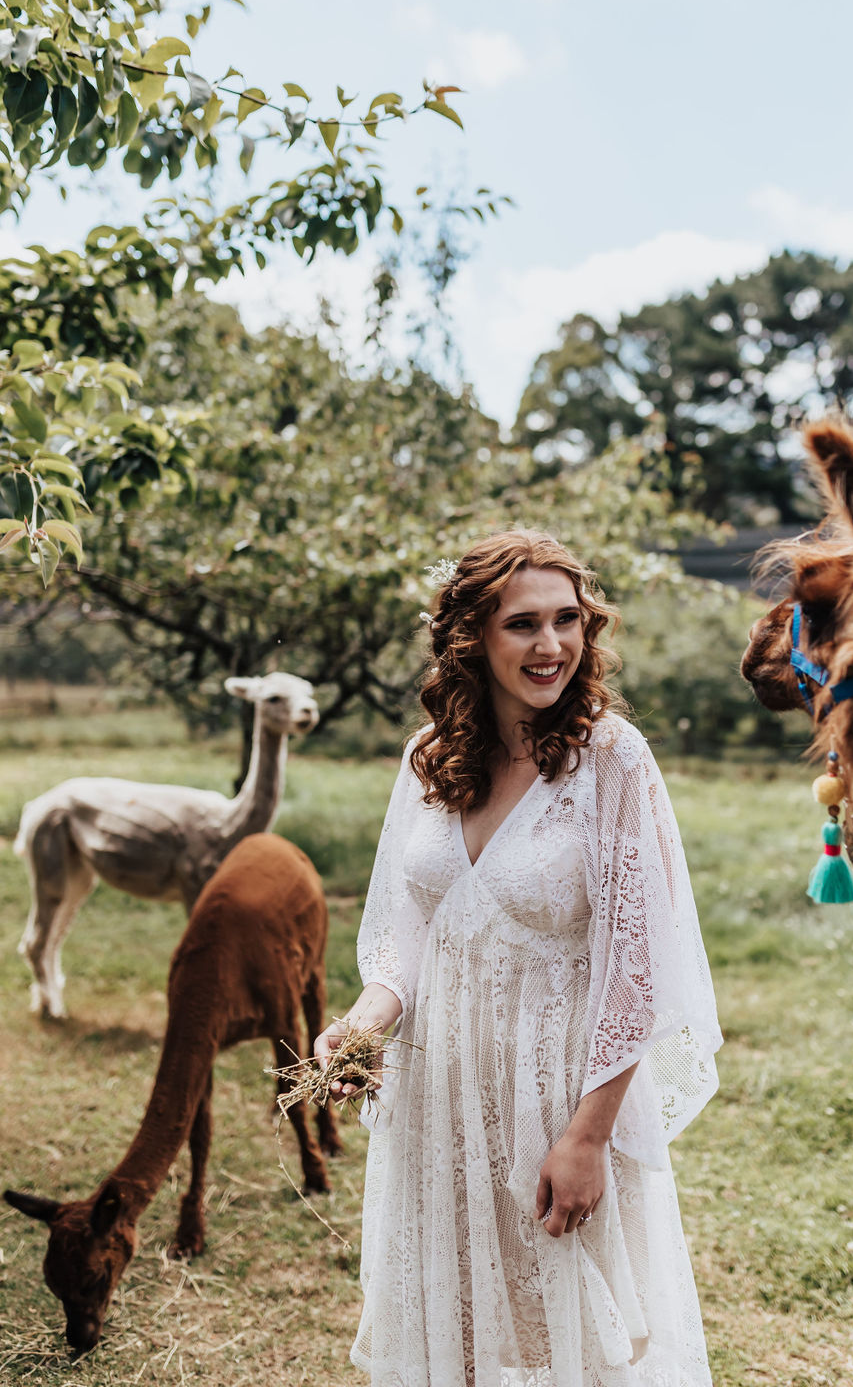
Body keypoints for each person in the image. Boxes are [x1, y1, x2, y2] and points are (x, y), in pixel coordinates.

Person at [315, 529, 722, 1387]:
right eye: (523, 625)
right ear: (472, 639)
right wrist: (363, 1023)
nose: (552, 647)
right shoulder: (430, 761)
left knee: (565, 1331)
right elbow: (408, 933)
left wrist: (587, 1135)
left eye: (568, 620)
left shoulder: (610, 760)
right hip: (441, 1099)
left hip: (559, 1091)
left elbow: (636, 969)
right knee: (459, 1322)